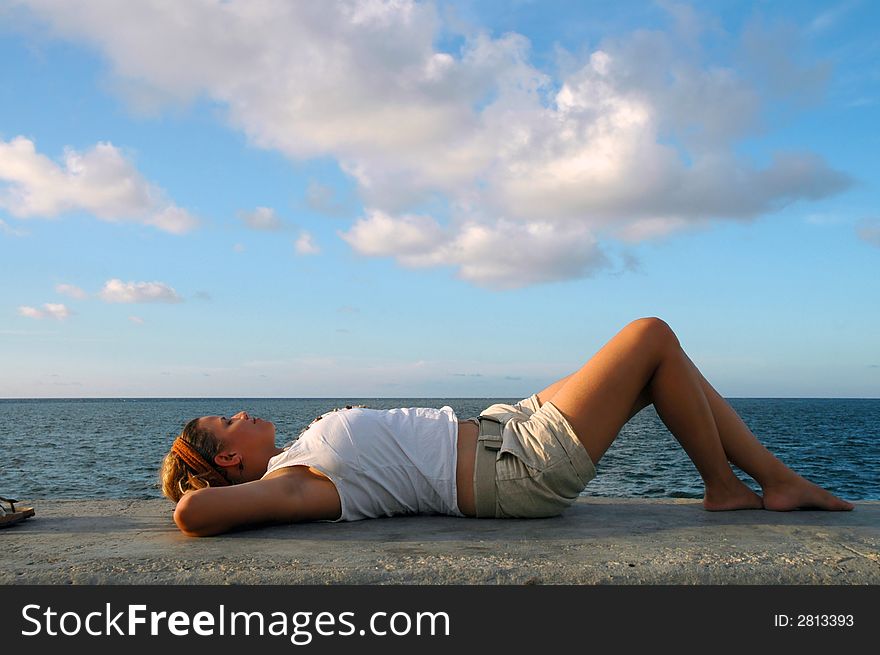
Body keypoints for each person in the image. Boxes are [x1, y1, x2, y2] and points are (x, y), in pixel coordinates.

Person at [160, 317, 854, 537]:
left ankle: (772, 480)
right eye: (229, 422)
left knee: (662, 361)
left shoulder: (298, 458)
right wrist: (190, 494)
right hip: (517, 467)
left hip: (507, 429)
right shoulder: (296, 484)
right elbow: (193, 512)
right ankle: (729, 487)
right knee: (650, 334)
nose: (243, 413)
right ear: (225, 459)